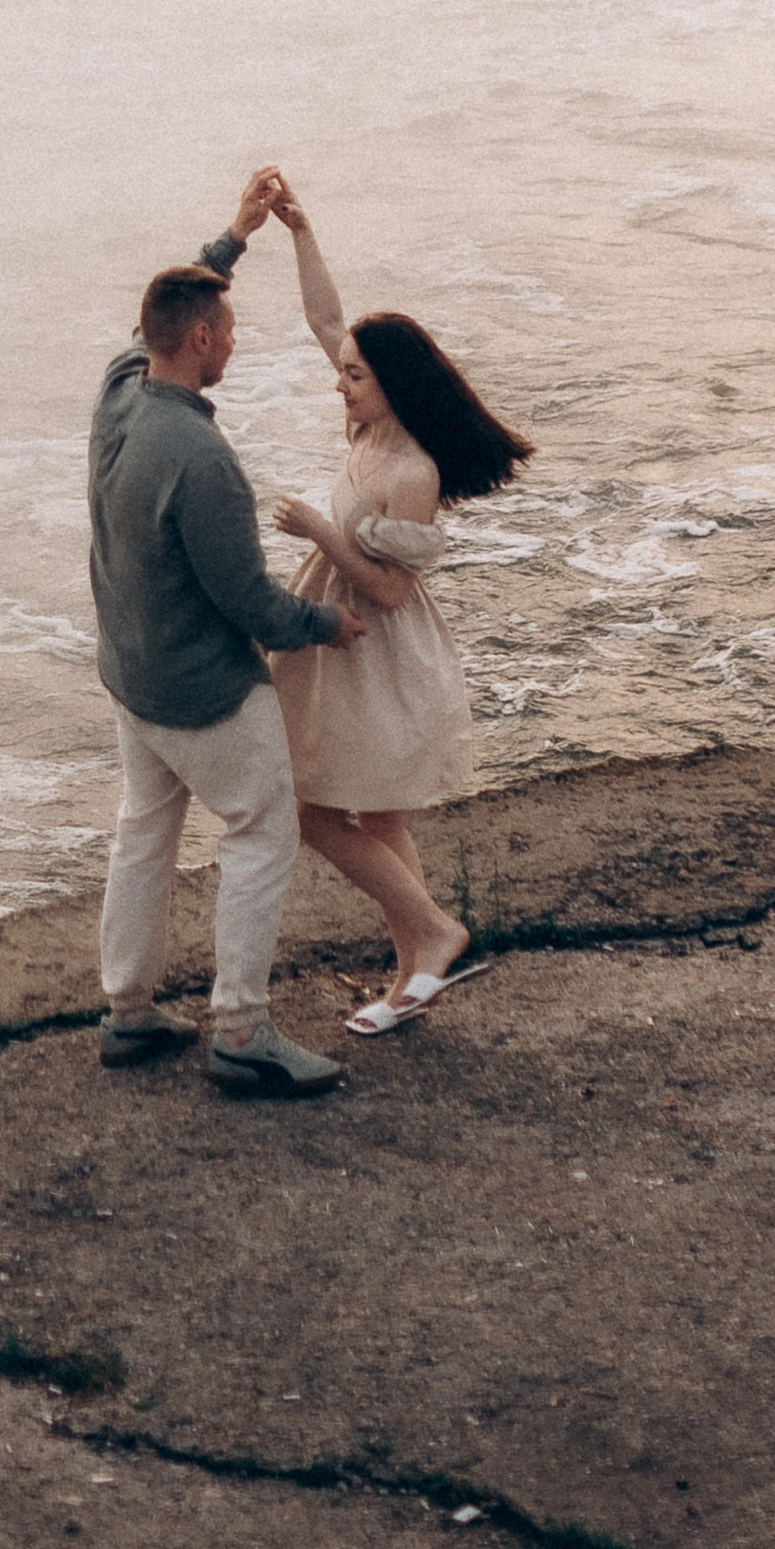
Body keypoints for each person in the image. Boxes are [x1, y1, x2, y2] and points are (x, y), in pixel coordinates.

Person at [88, 176, 365, 1099]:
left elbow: (152, 323)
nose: (235, 342)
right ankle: (241, 1032)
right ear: (201, 341)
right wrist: (331, 622)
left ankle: (127, 1013)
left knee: (145, 829)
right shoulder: (204, 460)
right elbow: (250, 601)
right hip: (202, 691)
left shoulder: (118, 393)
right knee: (262, 830)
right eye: (231, 331)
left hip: (131, 674)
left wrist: (232, 241)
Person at [259, 169, 533, 1036]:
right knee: (378, 816)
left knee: (313, 813)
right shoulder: (368, 425)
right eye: (342, 374)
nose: (339, 384)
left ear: (393, 386)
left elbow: (387, 585)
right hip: (343, 643)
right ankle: (416, 972)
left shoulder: (411, 470)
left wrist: (317, 530)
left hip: (378, 647)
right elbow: (327, 321)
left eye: (354, 378)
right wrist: (299, 230)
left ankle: (435, 931)